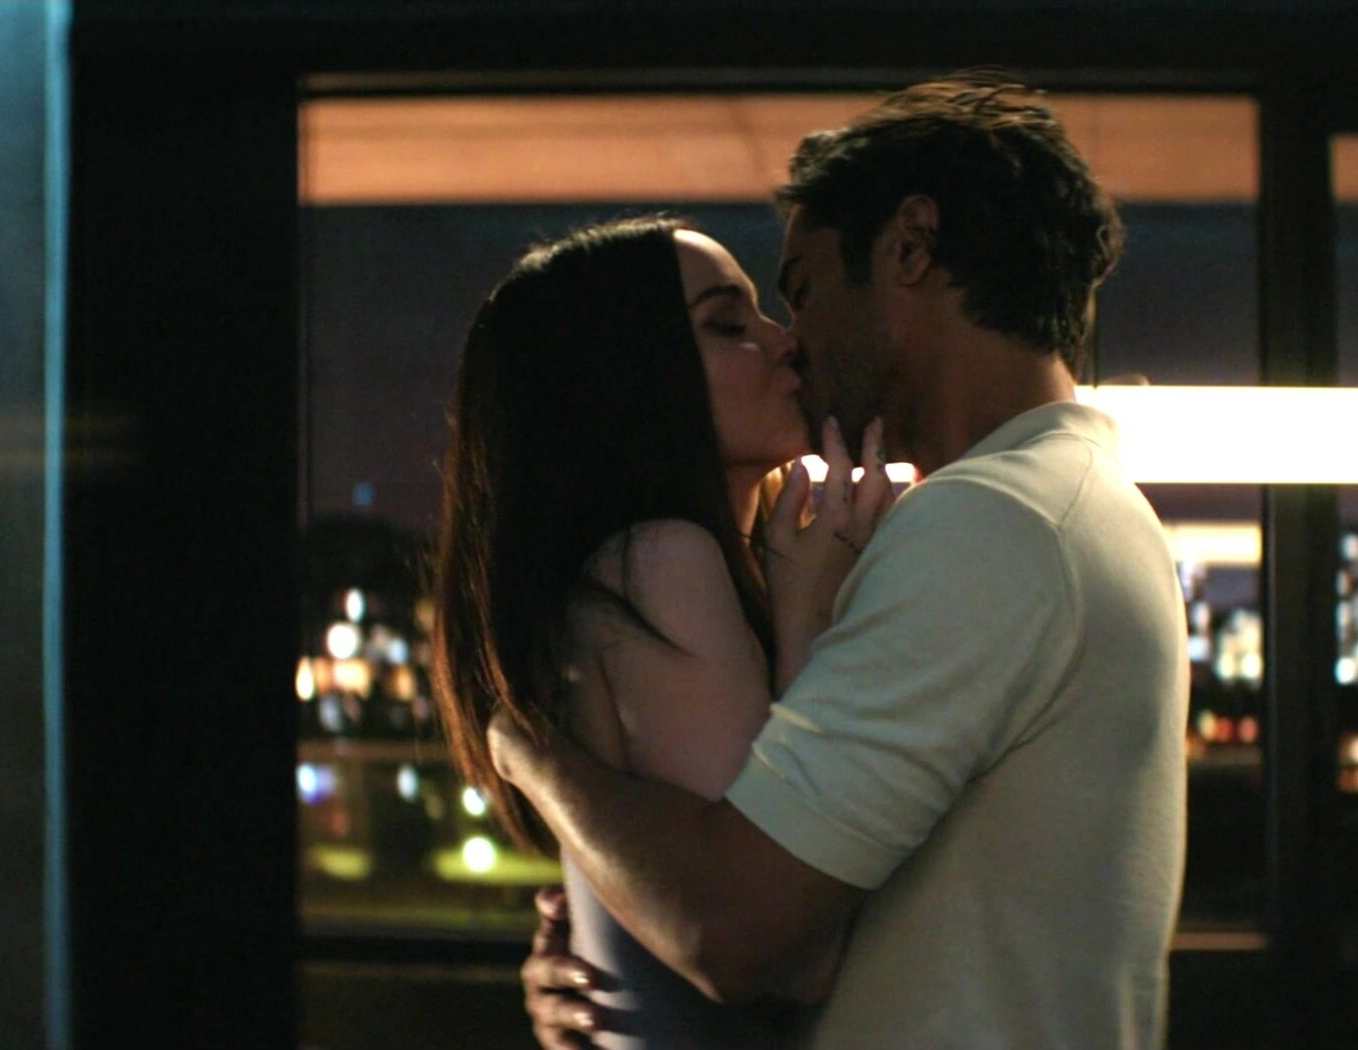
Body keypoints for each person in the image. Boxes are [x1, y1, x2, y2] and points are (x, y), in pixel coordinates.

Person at [499, 73, 1190, 1049]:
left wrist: (538, 760)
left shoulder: (988, 526)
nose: (794, 342)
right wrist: (616, 956)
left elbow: (736, 932)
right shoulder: (1076, 505)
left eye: (804, 291)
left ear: (910, 248)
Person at [430, 215, 895, 1049]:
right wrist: (805, 626)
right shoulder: (660, 561)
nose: (783, 341)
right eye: (728, 324)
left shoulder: (682, 566)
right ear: (626, 380)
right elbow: (783, 945)